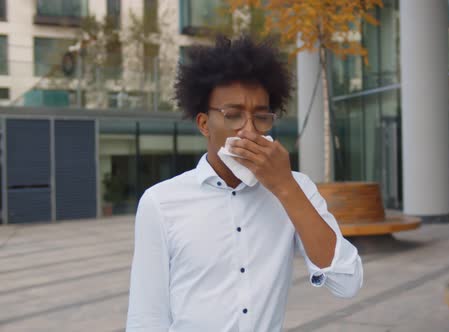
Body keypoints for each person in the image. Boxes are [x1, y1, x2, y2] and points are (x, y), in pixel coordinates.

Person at [125, 35, 363, 332]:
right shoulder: (160, 203)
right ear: (204, 124)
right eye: (233, 115)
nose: (248, 130)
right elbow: (147, 317)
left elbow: (347, 281)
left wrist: (285, 188)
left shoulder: (294, 188)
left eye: (261, 117)